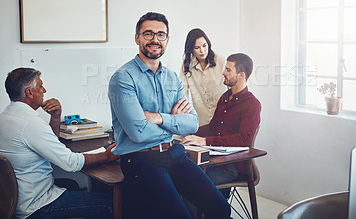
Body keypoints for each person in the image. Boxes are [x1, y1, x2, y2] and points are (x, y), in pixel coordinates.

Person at [108, 12, 230, 219]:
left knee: (220, 208)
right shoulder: (123, 78)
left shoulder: (172, 77)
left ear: (167, 40)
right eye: (148, 34)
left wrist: (159, 117)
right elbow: (138, 133)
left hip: (175, 153)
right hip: (141, 159)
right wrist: (174, 121)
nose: (155, 39)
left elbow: (192, 123)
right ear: (137, 38)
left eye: (161, 35)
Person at [0, 67, 119, 219]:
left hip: (13, 202)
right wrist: (108, 155)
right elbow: (70, 163)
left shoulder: (5, 118)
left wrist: (56, 117)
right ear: (29, 93)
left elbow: (50, 147)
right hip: (35, 206)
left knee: (73, 185)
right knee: (110, 204)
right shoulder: (30, 123)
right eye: (40, 86)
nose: (44, 90)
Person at [182, 53, 261, 187]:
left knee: (191, 181)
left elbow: (243, 140)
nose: (223, 72)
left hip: (232, 167)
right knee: (180, 171)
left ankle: (210, 208)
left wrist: (205, 141)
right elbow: (213, 127)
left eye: (228, 70)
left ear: (241, 75)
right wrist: (189, 132)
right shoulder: (225, 97)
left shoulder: (252, 104)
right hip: (215, 159)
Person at [179, 28, 226, 126]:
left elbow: (233, 89)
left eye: (205, 46)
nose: (202, 51)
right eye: (197, 48)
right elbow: (183, 93)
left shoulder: (221, 60)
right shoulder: (186, 65)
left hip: (224, 119)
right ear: (191, 49)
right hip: (202, 123)